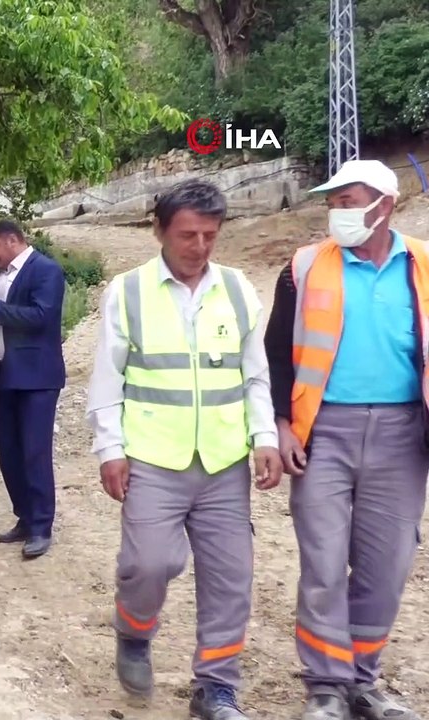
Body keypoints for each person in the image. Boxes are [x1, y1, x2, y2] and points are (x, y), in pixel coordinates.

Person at [85, 180, 280, 720]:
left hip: (223, 463)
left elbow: (255, 376)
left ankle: (216, 688)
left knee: (230, 578)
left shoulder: (239, 291)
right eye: (187, 235)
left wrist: (263, 437)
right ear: (160, 232)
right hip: (153, 457)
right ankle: (134, 631)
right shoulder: (128, 292)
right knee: (151, 563)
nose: (198, 247)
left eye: (209, 236)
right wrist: (111, 449)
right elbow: (106, 380)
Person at [264, 159, 429, 720]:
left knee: (387, 564)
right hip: (322, 433)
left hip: (403, 435)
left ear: (387, 204)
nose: (336, 211)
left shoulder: (426, 264)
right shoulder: (304, 266)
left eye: (348, 200)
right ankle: (327, 687)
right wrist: (282, 424)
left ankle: (364, 681)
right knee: (324, 564)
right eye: (331, 202)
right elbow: (277, 353)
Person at [0, 220, 66, 558]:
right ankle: (24, 516)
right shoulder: (3, 275)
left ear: (12, 240)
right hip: (5, 374)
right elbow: (1, 326)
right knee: (9, 451)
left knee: (34, 452)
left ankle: (41, 526)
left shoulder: (45, 270)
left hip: (36, 378)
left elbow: (40, 316)